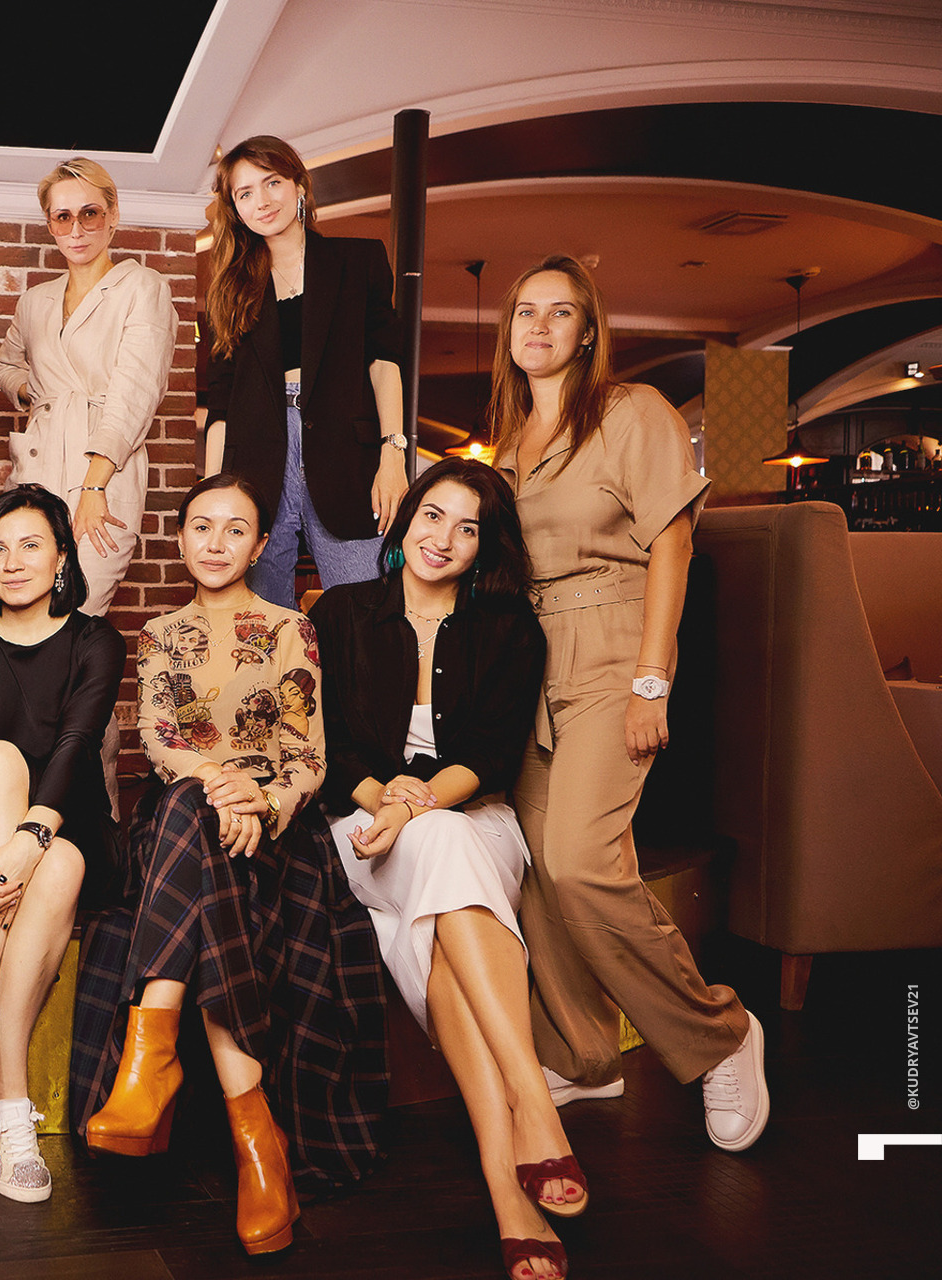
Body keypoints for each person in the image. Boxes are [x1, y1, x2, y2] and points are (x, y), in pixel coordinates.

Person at [489, 256, 768, 1152]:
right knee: (539, 871)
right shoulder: (508, 443)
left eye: (559, 312)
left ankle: (720, 1033)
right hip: (531, 665)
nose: (539, 326)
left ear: (587, 333)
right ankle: (582, 1057)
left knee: (580, 860)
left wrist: (653, 679)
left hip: (611, 649)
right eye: (525, 311)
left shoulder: (631, 412)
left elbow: (672, 546)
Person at [72, 475, 387, 1256]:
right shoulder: (158, 633)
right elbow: (160, 738)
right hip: (184, 817)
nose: (216, 543)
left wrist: (264, 802)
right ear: (180, 538)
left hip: (276, 831)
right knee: (186, 809)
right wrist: (219, 786)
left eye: (236, 529)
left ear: (260, 545)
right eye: (202, 527)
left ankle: (152, 1062)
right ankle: (258, 1138)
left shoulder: (290, 629)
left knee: (198, 827)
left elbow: (307, 754)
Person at [314, 458, 574, 1280]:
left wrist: (414, 807)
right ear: (407, 519)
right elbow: (326, 745)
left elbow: (492, 754)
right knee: (440, 850)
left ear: (485, 546)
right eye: (432, 515)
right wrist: (384, 804)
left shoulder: (508, 628)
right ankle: (533, 1103)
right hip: (361, 824)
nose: (443, 539)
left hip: (470, 818)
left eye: (468, 528)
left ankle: (506, 1187)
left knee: (445, 862)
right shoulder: (342, 612)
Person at [0, 485, 124, 1202]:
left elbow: (75, 747)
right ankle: (9, 1104)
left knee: (61, 856)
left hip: (70, 827)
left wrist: (30, 840)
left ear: (62, 557)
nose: (12, 563)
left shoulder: (96, 640)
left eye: (31, 545)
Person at [201, 135, 407, 602]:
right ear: (235, 209)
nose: (262, 200)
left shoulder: (358, 261)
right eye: (245, 193)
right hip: (256, 463)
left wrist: (392, 452)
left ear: (299, 185)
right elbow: (222, 402)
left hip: (346, 457)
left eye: (272, 182)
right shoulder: (228, 289)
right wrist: (213, 494)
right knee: (257, 621)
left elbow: (384, 362)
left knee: (366, 607)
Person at [0, 156, 176, 617]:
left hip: (103, 476)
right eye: (63, 217)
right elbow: (5, 364)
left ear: (113, 215)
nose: (76, 229)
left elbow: (134, 394)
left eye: (89, 213)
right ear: (50, 225)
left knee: (78, 613)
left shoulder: (142, 287)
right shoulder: (35, 301)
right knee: (23, 613)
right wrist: (33, 393)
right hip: (36, 470)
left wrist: (93, 489)